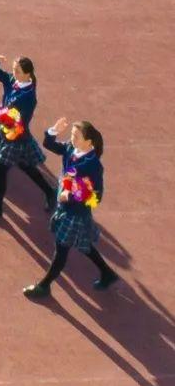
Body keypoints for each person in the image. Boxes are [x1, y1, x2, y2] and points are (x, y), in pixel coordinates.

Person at [24, 118, 119, 300]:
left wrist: (73, 195)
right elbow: (49, 144)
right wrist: (53, 131)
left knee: (61, 250)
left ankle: (44, 286)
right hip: (65, 207)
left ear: (89, 142)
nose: (72, 139)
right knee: (83, 244)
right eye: (72, 135)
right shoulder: (70, 149)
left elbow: (96, 195)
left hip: (75, 213)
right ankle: (107, 273)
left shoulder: (93, 165)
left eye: (76, 136)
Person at [0, 56, 56, 221]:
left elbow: (19, 119)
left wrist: (5, 118)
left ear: (28, 74)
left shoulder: (28, 96)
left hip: (16, 137)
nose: (14, 73)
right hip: (10, 134)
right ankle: (50, 192)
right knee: (25, 165)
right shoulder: (15, 81)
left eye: (17, 71)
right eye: (14, 69)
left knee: (1, 169)